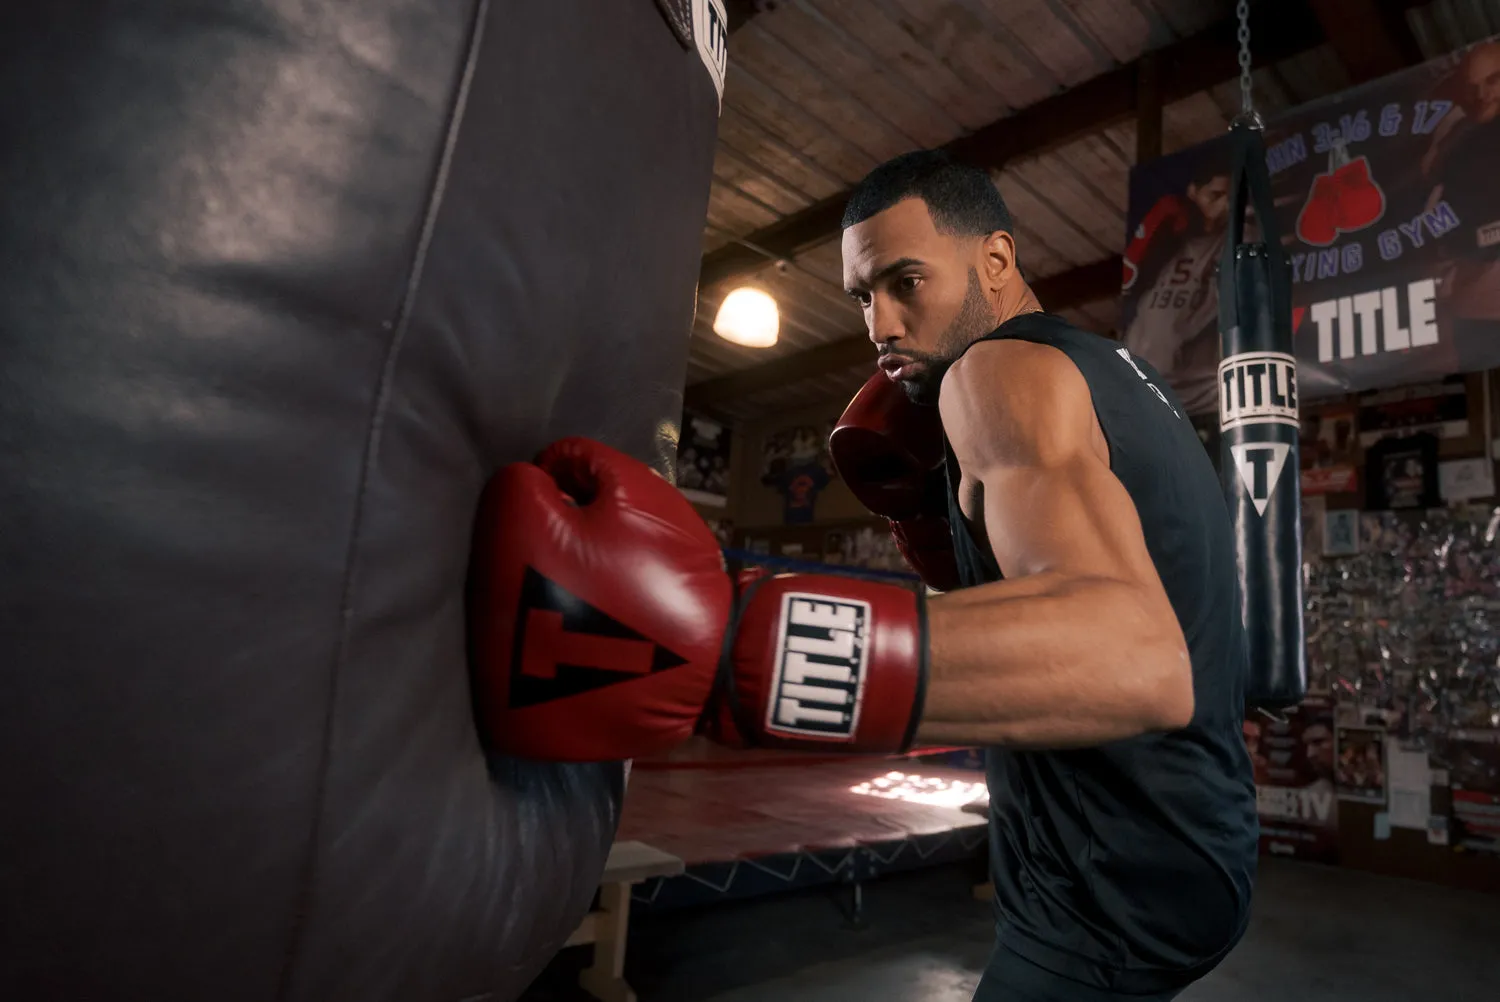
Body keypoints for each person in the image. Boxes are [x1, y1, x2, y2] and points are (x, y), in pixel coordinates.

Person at [470, 151, 1256, 1001]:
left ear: (995, 260)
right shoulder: (1121, 382)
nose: (879, 324)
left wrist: (733, 649)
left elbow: (1132, 659)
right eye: (861, 296)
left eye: (905, 281)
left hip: (1107, 897)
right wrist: (948, 543)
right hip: (1197, 842)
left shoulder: (997, 374)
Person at [1121, 158, 1232, 416]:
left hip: (1189, 395)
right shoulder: (1168, 236)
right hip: (1136, 383)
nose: (1223, 205)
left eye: (1230, 197)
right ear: (1193, 192)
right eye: (1214, 195)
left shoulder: (1236, 241)